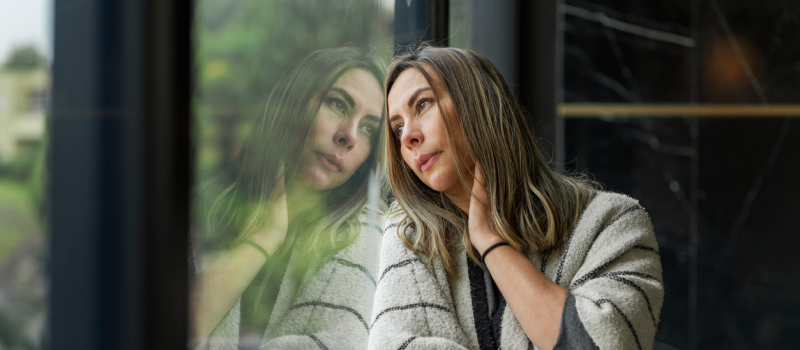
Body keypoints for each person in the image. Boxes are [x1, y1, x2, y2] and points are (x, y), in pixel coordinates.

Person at [371, 46, 663, 350]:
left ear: (477, 103)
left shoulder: (611, 222)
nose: (407, 138)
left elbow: (601, 343)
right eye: (398, 128)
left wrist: (489, 240)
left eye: (422, 104)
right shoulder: (410, 238)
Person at [191, 47, 387, 350]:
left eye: (368, 129)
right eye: (337, 104)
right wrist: (266, 235)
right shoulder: (203, 205)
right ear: (293, 104)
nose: (348, 135)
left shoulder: (368, 239)